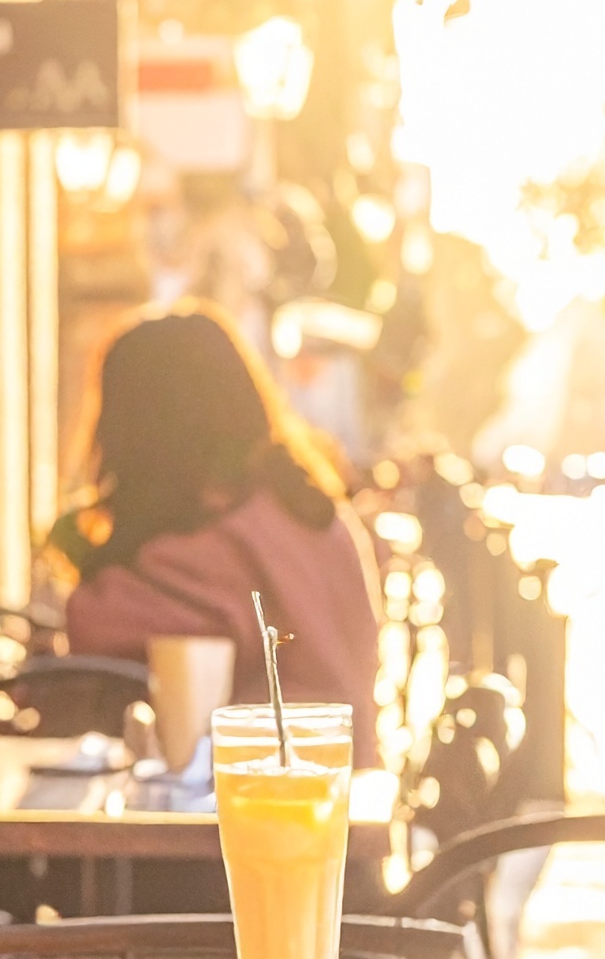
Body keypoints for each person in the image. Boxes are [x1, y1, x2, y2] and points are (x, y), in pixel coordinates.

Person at [52, 302, 380, 765]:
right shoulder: (308, 509)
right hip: (338, 794)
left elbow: (96, 631)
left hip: (248, 808)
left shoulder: (214, 544)